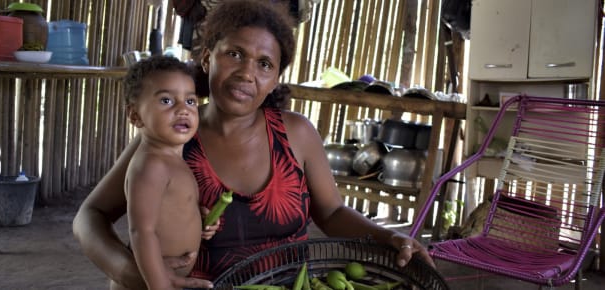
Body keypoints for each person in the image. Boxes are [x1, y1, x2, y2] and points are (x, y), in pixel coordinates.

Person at [73, 0, 434, 289]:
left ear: (276, 77)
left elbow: (332, 212)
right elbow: (90, 218)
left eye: (264, 64)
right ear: (207, 57)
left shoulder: (296, 134)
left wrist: (388, 238)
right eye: (234, 54)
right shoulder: (169, 140)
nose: (247, 72)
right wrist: (132, 274)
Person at [121, 55, 202, 290]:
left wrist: (197, 218)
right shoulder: (152, 165)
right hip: (149, 283)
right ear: (135, 115)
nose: (183, 110)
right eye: (166, 101)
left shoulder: (172, 159)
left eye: (190, 101)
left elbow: (171, 209)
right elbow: (141, 232)